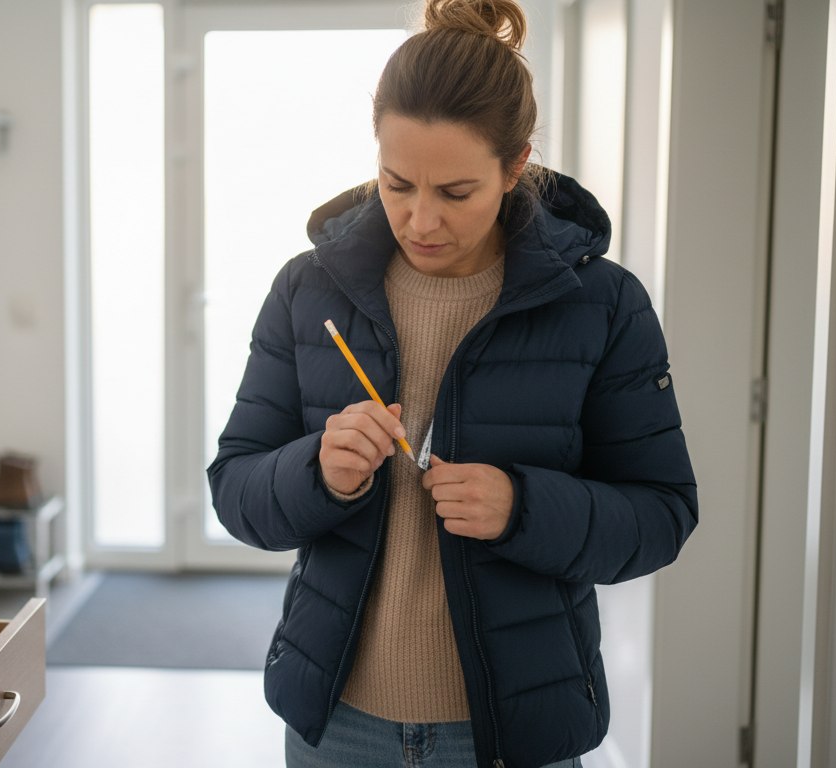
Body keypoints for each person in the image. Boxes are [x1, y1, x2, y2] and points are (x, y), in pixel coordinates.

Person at [206, 0, 698, 765]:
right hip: (335, 725)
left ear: (516, 164)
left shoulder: (603, 304)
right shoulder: (309, 291)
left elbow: (661, 514)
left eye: (455, 193)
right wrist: (318, 474)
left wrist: (523, 508)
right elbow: (236, 490)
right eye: (397, 183)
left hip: (513, 730)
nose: (420, 220)